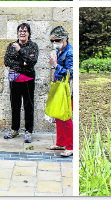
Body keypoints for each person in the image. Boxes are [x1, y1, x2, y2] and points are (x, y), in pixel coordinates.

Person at [3, 23, 39, 143]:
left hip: (28, 80)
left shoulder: (33, 46)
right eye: (20, 31)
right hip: (14, 80)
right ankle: (15, 129)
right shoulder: (11, 45)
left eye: (25, 31)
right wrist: (22, 64)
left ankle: (28, 131)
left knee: (28, 106)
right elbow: (7, 61)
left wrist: (20, 50)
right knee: (15, 105)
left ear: (29, 33)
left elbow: (32, 61)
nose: (22, 33)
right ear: (18, 32)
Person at [47, 26, 73, 158]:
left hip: (67, 89)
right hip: (58, 87)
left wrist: (56, 65)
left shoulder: (70, 52)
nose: (54, 43)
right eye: (52, 41)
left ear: (65, 39)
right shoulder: (59, 50)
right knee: (58, 116)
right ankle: (60, 143)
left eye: (56, 40)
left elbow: (71, 73)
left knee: (66, 117)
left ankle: (70, 146)